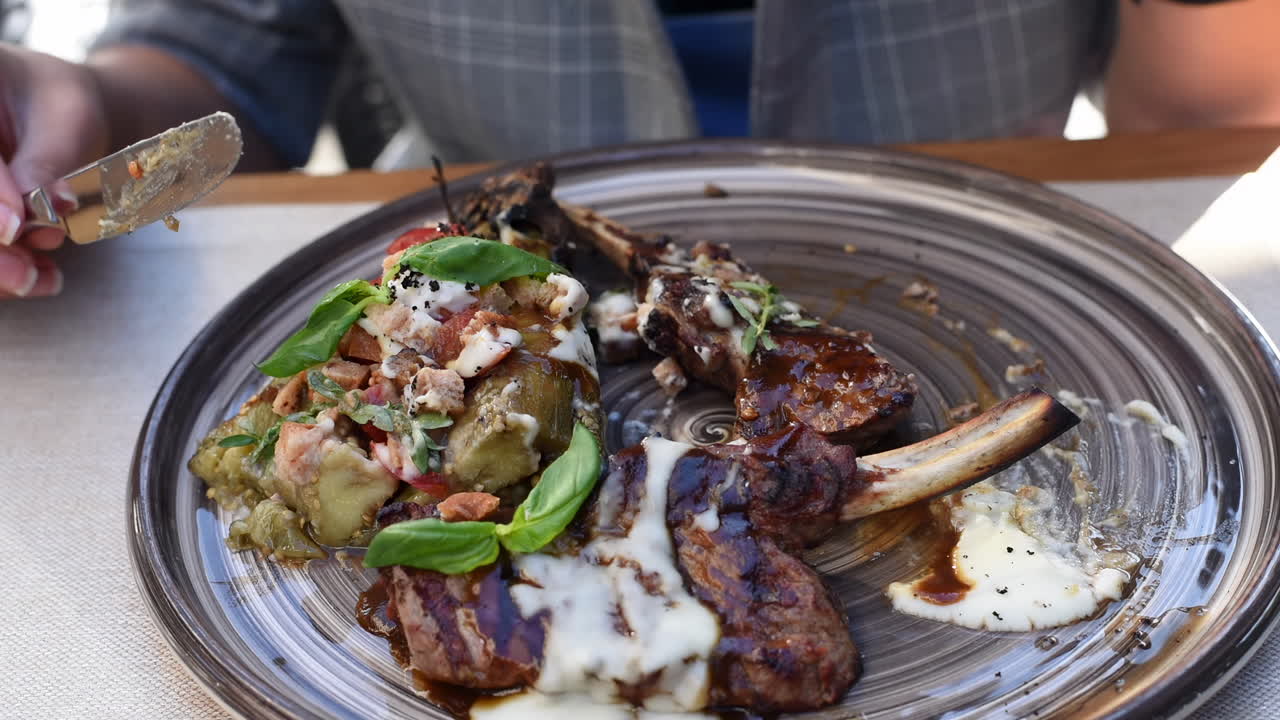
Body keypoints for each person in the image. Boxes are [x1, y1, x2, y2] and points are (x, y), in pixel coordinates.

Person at [1, 0, 1276, 300]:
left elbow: (1195, 124)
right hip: (497, 287)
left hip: (978, 289)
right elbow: (232, 64)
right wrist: (62, 115)